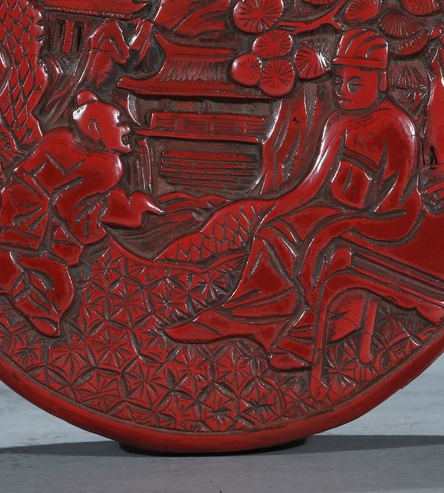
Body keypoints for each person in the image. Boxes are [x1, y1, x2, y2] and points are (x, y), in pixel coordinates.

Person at [167, 29, 426, 369]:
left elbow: (395, 200)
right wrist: (275, 210)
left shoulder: (398, 126)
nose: (342, 91)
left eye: (355, 84)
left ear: (380, 82)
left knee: (323, 243)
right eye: (339, 82)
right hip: (331, 210)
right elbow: (312, 183)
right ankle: (241, 317)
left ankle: (308, 334)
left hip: (382, 218)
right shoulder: (338, 121)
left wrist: (345, 224)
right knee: (272, 232)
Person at [0, 91, 160, 335]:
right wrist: (130, 210)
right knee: (59, 288)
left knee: (8, 264)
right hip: (37, 231)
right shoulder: (107, 166)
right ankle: (33, 307)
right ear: (96, 129)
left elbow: (63, 197)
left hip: (16, 216)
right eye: (119, 122)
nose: (127, 128)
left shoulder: (57, 139)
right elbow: (73, 208)